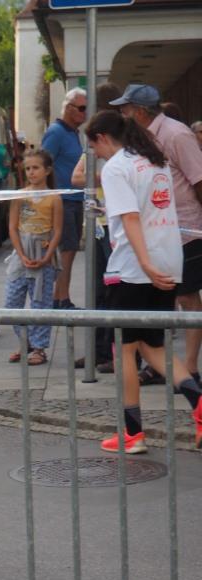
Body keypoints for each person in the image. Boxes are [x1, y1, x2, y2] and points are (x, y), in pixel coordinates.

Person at [85, 111, 202, 453]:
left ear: (102, 138)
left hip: (134, 266)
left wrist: (145, 263)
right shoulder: (155, 160)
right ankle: (199, 405)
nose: (96, 154)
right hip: (169, 259)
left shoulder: (117, 168)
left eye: (93, 147)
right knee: (153, 347)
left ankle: (133, 434)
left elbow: (131, 218)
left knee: (123, 349)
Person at [114, 83, 202, 387]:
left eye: (125, 109)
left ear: (139, 111)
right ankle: (162, 363)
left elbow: (199, 178)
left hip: (185, 228)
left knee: (187, 296)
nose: (123, 114)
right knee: (162, 297)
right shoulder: (141, 137)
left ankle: (190, 368)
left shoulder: (176, 134)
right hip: (156, 230)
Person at [71, 81, 123, 373]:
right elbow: (76, 177)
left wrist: (105, 175)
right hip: (98, 223)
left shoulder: (123, 144)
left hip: (115, 225)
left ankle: (116, 352)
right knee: (97, 290)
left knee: (114, 289)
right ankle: (99, 351)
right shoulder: (96, 147)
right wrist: (103, 177)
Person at [3, 149, 63, 366]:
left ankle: (39, 348)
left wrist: (47, 256)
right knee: (11, 303)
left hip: (43, 252)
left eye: (36, 167)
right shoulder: (20, 195)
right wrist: (20, 254)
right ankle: (25, 340)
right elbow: (12, 228)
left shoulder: (54, 198)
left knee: (41, 303)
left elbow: (57, 230)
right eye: (27, 168)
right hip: (21, 253)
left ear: (47, 170)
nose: (31, 172)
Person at [42, 87, 88, 310]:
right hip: (63, 201)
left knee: (69, 251)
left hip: (75, 200)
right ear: (68, 108)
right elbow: (42, 165)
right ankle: (60, 299)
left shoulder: (73, 133)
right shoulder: (56, 132)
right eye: (82, 108)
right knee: (66, 252)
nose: (85, 113)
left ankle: (60, 298)